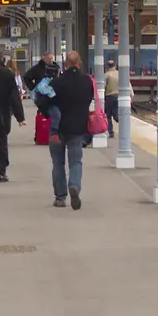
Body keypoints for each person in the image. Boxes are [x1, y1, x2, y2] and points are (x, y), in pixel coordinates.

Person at [49, 51, 94, 210]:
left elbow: (44, 99)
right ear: (79, 64)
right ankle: (74, 185)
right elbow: (89, 100)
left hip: (57, 128)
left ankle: (60, 197)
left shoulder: (57, 82)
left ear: (65, 65)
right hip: (77, 128)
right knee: (76, 161)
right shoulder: (87, 81)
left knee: (58, 163)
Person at [0, 51, 25, 181]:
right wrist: (20, 117)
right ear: (2, 60)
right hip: (3, 113)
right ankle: (1, 171)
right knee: (2, 141)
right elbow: (14, 97)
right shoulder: (7, 74)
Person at [103, 60, 120, 138]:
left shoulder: (106, 75)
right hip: (119, 97)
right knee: (116, 115)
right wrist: (131, 95)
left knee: (108, 115)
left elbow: (103, 86)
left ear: (107, 66)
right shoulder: (120, 74)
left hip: (109, 97)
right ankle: (122, 125)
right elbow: (128, 84)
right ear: (115, 65)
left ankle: (111, 132)